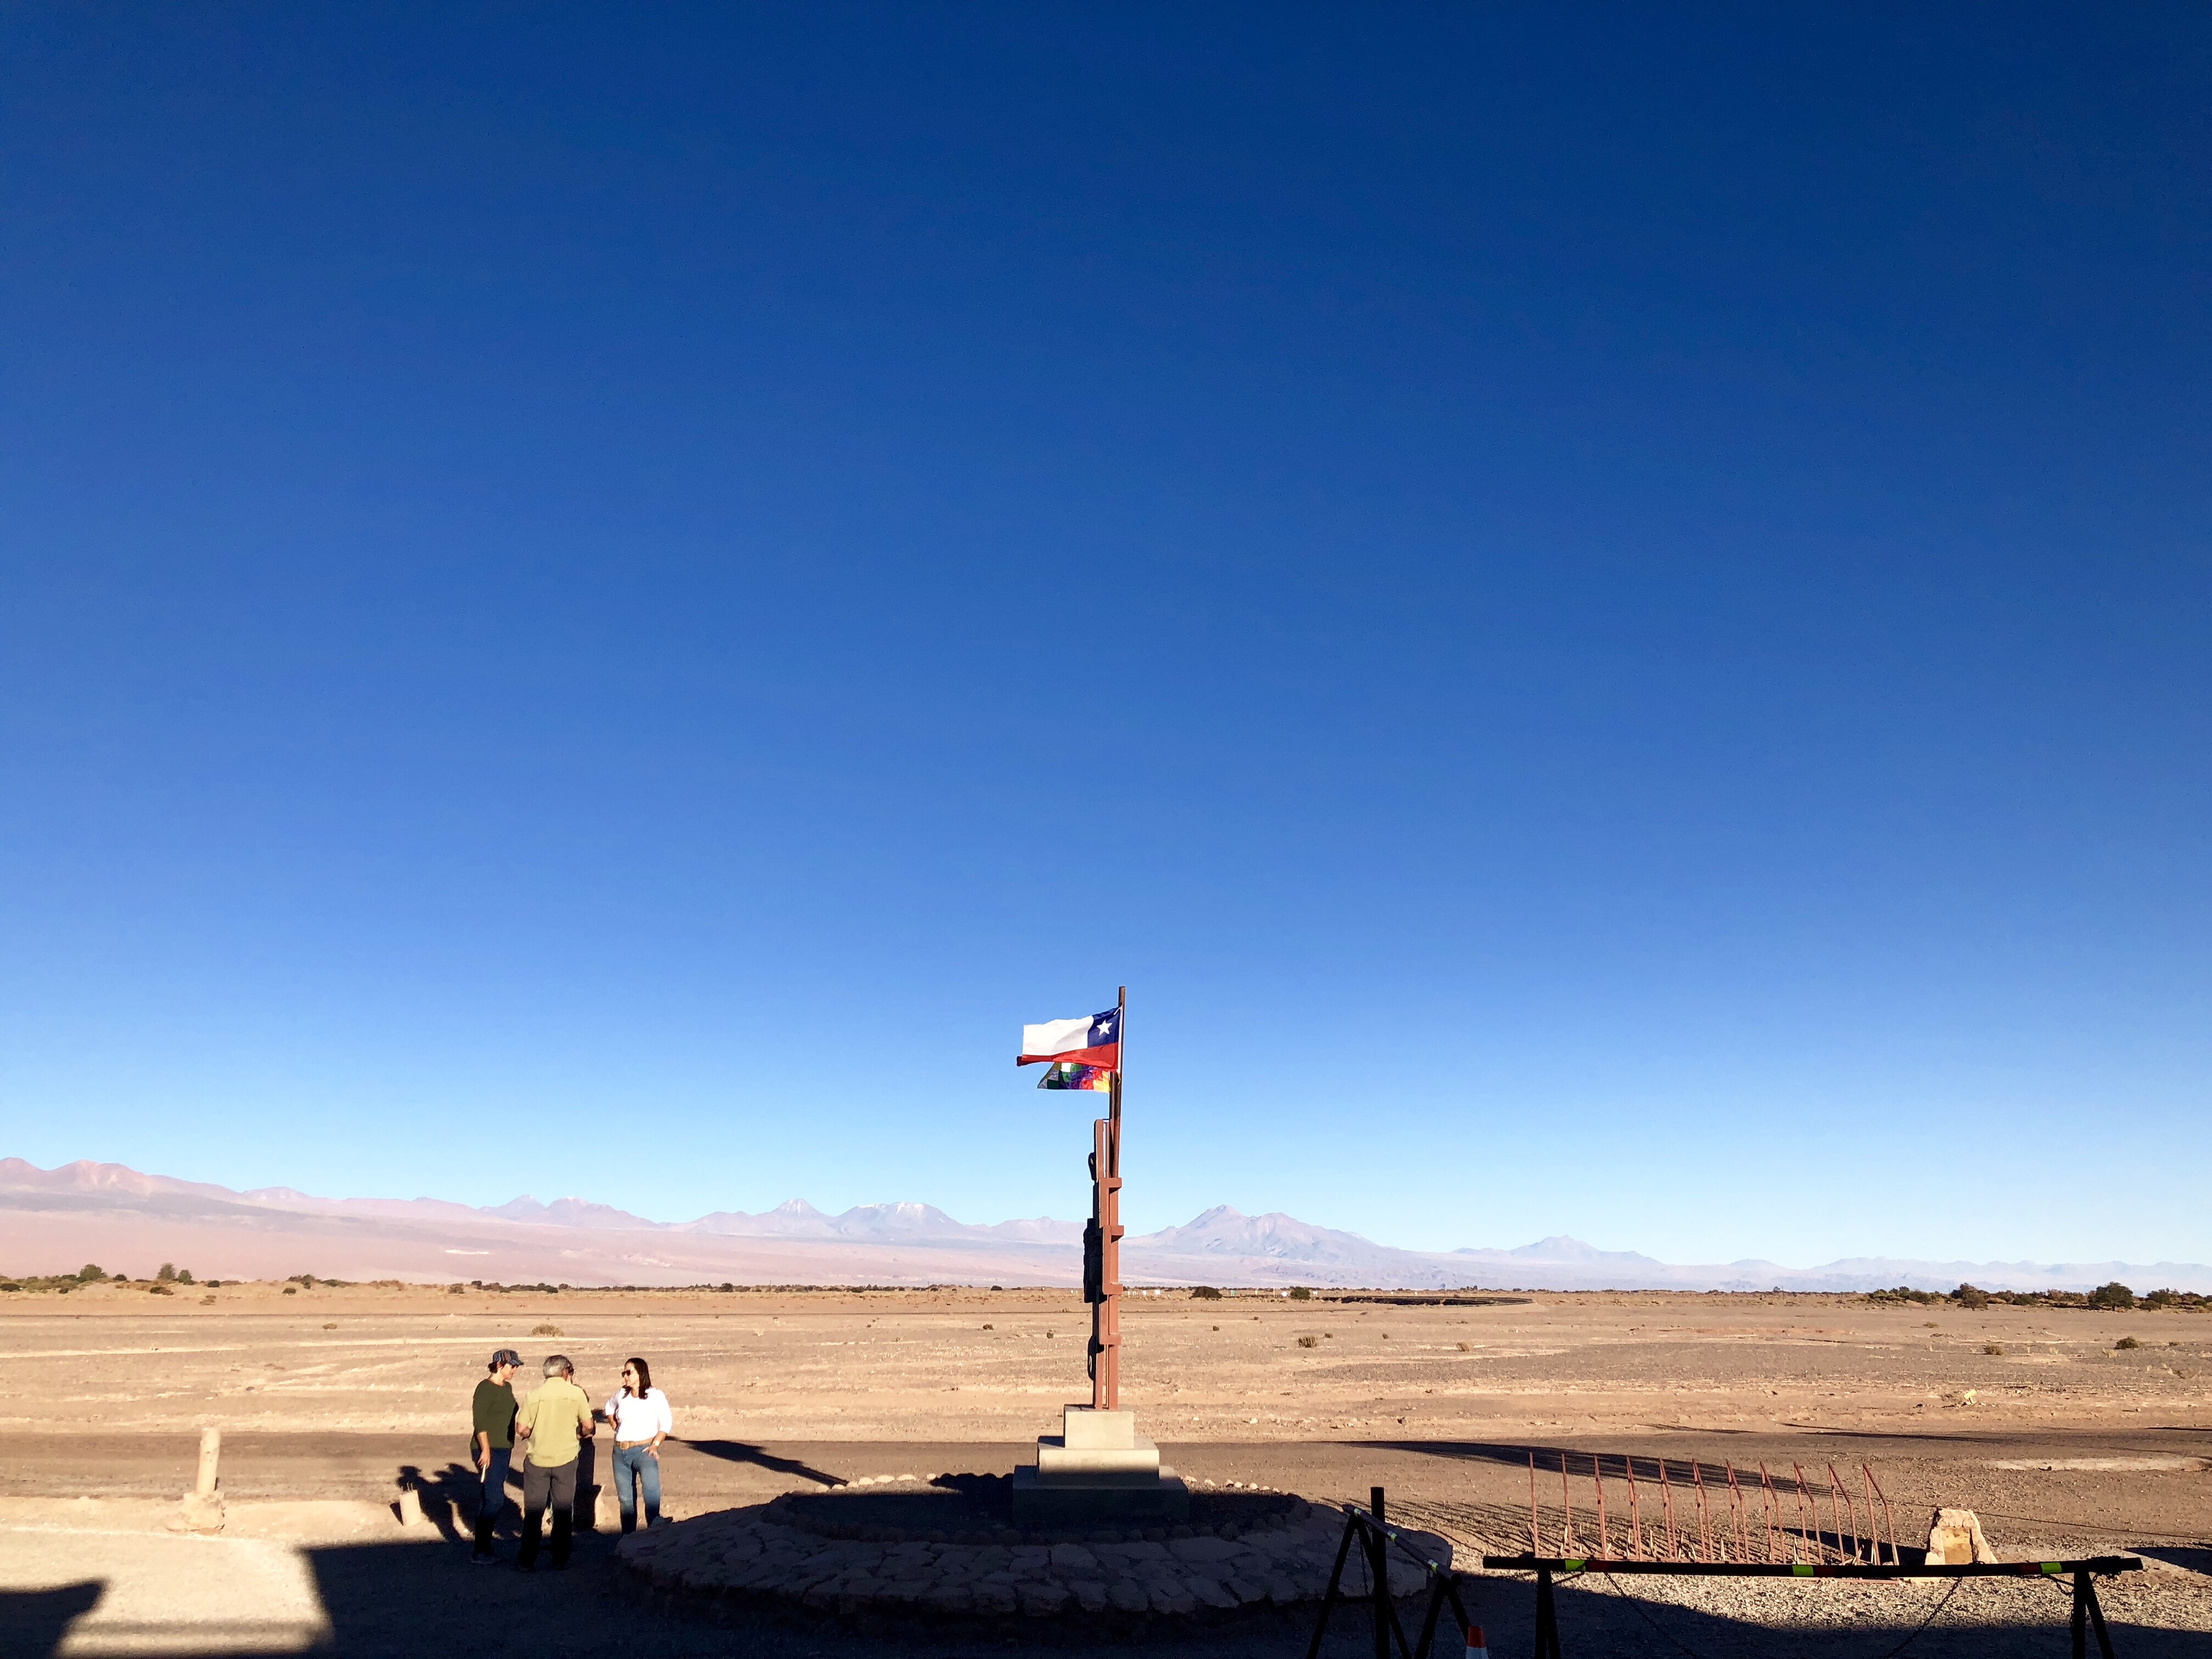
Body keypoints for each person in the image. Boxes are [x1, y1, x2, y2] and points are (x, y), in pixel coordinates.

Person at [512, 1353, 595, 1571]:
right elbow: (588, 1425)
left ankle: (527, 1560)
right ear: (565, 1371)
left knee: (533, 1512)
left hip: (537, 1460)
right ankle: (560, 1558)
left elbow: (521, 1428)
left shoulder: (533, 1395)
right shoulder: (576, 1394)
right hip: (566, 1460)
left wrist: (534, 1433)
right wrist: (579, 1435)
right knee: (563, 1511)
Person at [604, 1357, 673, 1532]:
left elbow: (666, 1423)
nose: (625, 1376)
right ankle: (628, 1537)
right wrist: (614, 1425)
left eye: (629, 1372)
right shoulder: (622, 1394)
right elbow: (609, 1407)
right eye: (624, 1373)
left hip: (644, 1450)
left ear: (640, 1373)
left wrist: (655, 1444)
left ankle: (654, 1529)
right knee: (626, 1500)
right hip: (620, 1453)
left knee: (651, 1492)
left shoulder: (655, 1395)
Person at [469, 1349, 522, 1563]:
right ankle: (481, 1550)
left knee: (488, 1497)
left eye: (516, 1366)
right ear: (499, 1365)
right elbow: (480, 1421)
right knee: (495, 1499)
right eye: (512, 1366)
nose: (515, 1370)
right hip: (487, 1449)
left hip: (504, 1448)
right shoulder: (484, 1388)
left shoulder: (507, 1388)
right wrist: (485, 1449)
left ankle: (483, 1547)